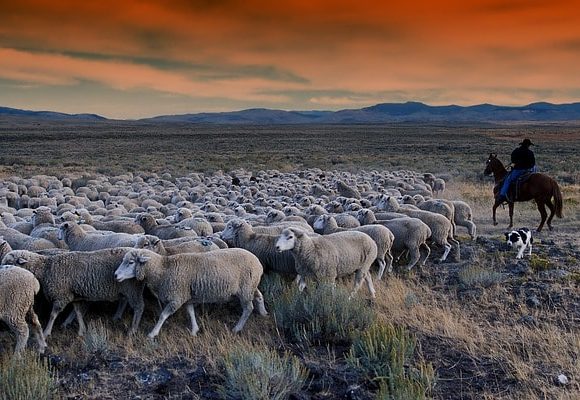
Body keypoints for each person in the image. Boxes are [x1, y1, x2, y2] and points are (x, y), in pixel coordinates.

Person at [498, 138, 538, 202]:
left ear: (522, 144)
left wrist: (517, 163)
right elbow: (533, 163)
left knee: (508, 180)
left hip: (519, 170)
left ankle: (502, 195)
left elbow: (513, 159)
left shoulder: (516, 151)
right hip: (529, 170)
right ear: (528, 145)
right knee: (536, 171)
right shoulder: (530, 152)